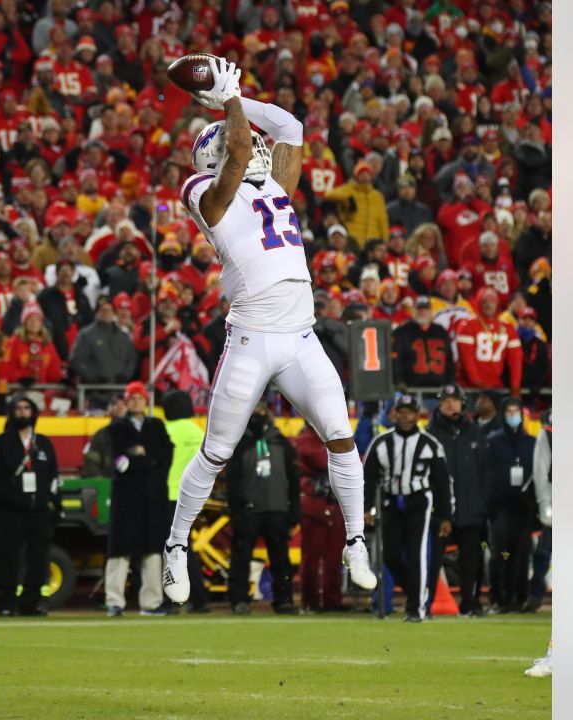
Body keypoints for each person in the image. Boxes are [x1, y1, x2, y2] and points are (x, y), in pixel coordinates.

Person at [161, 59, 377, 604]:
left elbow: (291, 128)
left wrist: (231, 100)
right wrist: (229, 101)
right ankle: (175, 544)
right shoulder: (204, 193)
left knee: (341, 435)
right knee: (216, 452)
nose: (258, 148)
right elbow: (237, 154)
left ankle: (356, 540)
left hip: (301, 336)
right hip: (253, 339)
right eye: (245, 144)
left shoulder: (274, 186)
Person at [362, 394, 453, 622]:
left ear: (417, 414)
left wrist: (445, 515)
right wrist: (366, 508)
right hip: (390, 502)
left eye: (409, 412)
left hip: (419, 503)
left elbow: (443, 481)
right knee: (390, 555)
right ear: (394, 413)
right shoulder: (381, 443)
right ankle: (416, 592)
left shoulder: (430, 444)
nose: (404, 416)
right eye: (400, 411)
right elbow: (368, 478)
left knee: (417, 555)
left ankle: (415, 608)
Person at [0, 395, 61, 616]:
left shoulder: (44, 443)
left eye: (27, 408)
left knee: (38, 558)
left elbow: (53, 476)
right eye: (18, 408)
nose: (22, 412)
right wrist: (13, 499)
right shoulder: (1, 442)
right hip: (10, 512)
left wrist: (55, 503)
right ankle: (6, 603)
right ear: (11, 413)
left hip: (39, 512)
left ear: (34, 412)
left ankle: (32, 603)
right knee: (9, 558)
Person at [224, 403, 301, 615]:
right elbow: (232, 481)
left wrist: (294, 509)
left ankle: (284, 600)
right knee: (241, 559)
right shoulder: (240, 443)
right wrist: (237, 509)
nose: (257, 416)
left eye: (260, 412)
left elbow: (294, 479)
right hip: (249, 510)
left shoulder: (280, 442)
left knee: (281, 560)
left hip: (277, 509)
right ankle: (239, 600)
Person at [104, 382, 173, 617]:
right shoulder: (117, 427)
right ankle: (114, 601)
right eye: (132, 398)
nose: (136, 402)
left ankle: (152, 602)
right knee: (120, 549)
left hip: (152, 495)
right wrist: (145, 461)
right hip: (126, 495)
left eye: (139, 398)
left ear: (146, 401)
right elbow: (115, 459)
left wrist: (137, 458)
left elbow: (165, 455)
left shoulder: (156, 425)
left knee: (152, 549)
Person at [427, 384, 491, 617]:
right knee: (433, 560)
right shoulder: (430, 433)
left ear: (463, 403)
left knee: (471, 563)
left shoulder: (475, 432)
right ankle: (425, 604)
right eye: (445, 400)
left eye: (454, 399)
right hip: (439, 511)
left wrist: (482, 503)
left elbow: (485, 471)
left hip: (470, 508)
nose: (449, 403)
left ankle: (470, 603)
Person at [160, 391, 211, 613]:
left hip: (168, 495)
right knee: (186, 548)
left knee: (172, 550)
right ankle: (199, 598)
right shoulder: (199, 432)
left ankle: (172, 600)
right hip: (194, 497)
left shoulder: (166, 431)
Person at [486, 397, 536, 614]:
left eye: (517, 411)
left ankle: (519, 597)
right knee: (500, 554)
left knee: (522, 555)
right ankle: (499, 598)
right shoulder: (494, 442)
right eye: (509, 411)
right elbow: (486, 473)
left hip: (524, 508)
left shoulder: (532, 443)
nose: (513, 415)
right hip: (501, 508)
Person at [293, 423, 347, 612]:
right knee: (312, 558)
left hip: (333, 501)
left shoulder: (332, 436)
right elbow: (320, 459)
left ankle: (332, 601)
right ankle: (311, 602)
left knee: (334, 557)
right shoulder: (305, 439)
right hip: (314, 502)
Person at [455, 288, 522, 393]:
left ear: (497, 304)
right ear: (479, 303)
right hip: (469, 387)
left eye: (492, 301)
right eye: (485, 301)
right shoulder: (467, 325)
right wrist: (477, 383)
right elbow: (467, 358)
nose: (488, 305)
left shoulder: (508, 327)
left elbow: (515, 360)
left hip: (497, 386)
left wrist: (515, 388)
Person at [391, 301, 454, 389]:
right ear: (413, 311)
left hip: (439, 390)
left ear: (431, 312)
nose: (423, 312)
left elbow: (449, 359)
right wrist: (398, 381)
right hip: (411, 389)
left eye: (426, 309)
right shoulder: (403, 331)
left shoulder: (440, 331)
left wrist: (450, 381)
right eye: (419, 309)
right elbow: (395, 359)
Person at [525, 409, 552, 613]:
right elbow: (540, 470)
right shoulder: (549, 431)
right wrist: (545, 503)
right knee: (544, 551)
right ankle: (535, 594)